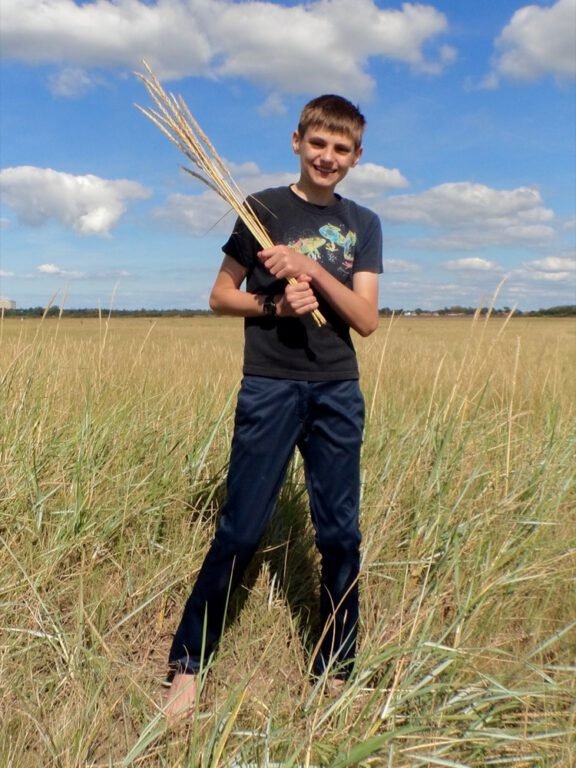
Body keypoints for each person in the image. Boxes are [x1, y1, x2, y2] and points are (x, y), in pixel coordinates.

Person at [164, 94, 383, 719]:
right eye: (319, 143)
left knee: (339, 532)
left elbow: (365, 319)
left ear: (356, 156)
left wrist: (311, 268)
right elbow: (219, 296)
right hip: (269, 384)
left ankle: (336, 665)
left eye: (342, 149)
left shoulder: (363, 224)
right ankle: (188, 662)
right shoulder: (259, 208)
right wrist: (273, 306)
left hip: (337, 388)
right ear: (297, 141)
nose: (328, 157)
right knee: (241, 528)